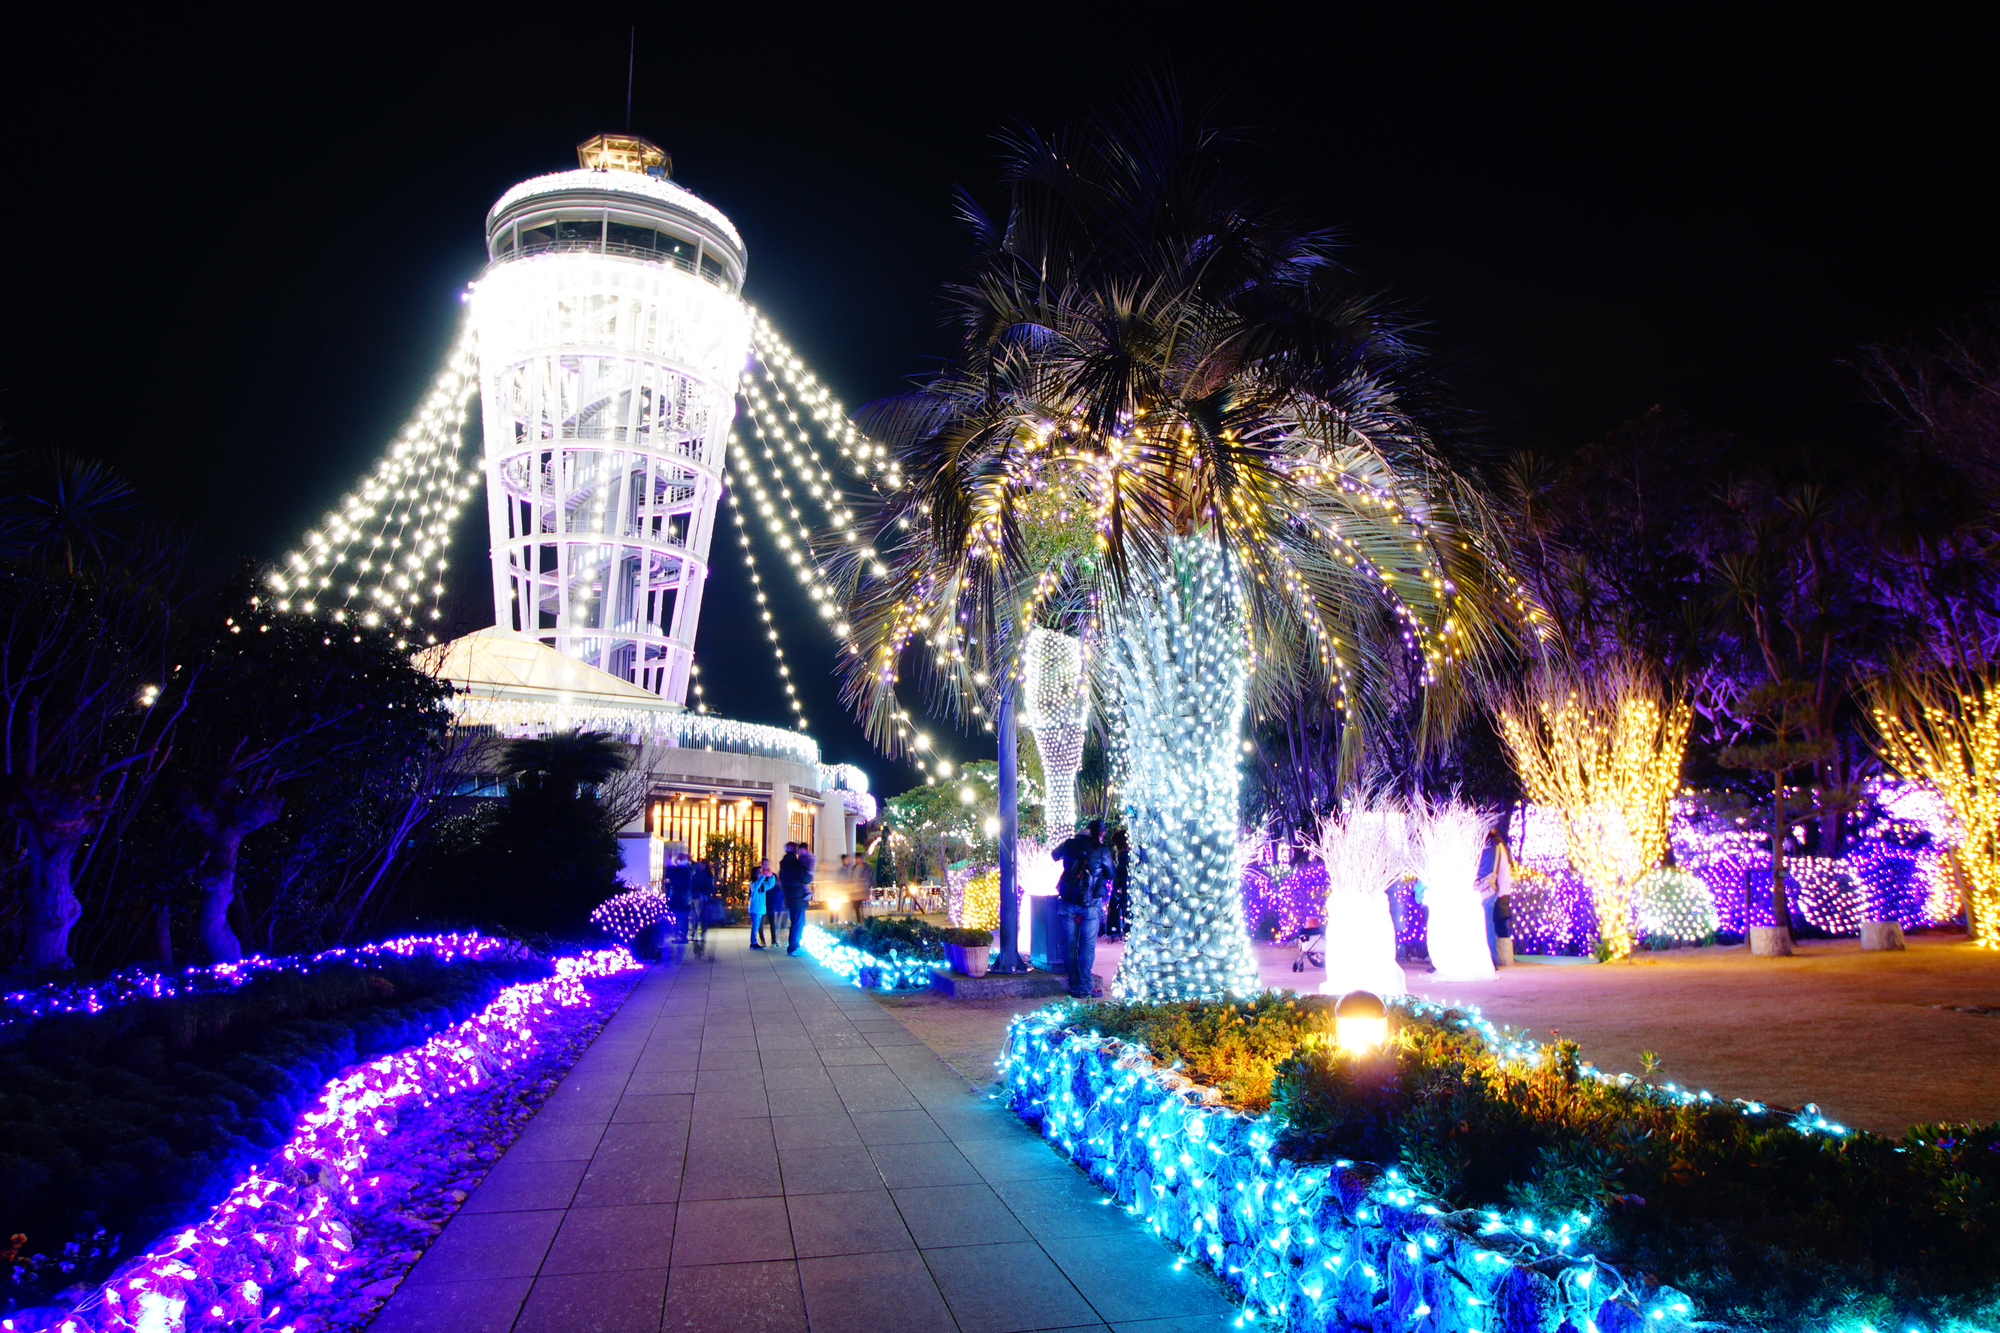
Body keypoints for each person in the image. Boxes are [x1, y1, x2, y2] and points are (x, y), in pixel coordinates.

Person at [1050, 819, 1117, 998]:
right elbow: (1111, 873)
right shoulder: (1102, 849)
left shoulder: (1070, 844)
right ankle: (1085, 988)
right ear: (1100, 833)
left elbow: (1054, 855)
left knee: (1070, 945)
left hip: (1068, 900)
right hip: (1091, 902)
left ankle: (1073, 985)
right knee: (1087, 946)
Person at [1476, 827, 1514, 966]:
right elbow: (1503, 872)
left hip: (1478, 890)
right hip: (1490, 889)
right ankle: (1491, 959)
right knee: (1489, 925)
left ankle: (1489, 959)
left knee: (1484, 925)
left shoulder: (1478, 845)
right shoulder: (1498, 845)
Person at [778, 840, 815, 955]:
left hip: (789, 897)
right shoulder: (795, 864)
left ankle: (794, 946)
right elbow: (807, 878)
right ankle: (794, 947)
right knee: (798, 923)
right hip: (798, 897)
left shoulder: (784, 864)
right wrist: (810, 873)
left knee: (795, 921)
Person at [662, 844, 694, 962]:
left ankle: (681, 935)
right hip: (682, 899)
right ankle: (681, 935)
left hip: (680, 899)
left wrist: (671, 882)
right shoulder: (685, 870)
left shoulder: (683, 871)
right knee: (681, 918)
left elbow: (677, 883)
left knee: (680, 917)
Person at [689, 854, 718, 955]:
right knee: (700, 916)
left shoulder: (698, 874)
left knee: (697, 916)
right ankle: (699, 932)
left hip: (698, 897)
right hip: (700, 897)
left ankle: (696, 932)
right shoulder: (706, 874)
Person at [747, 859, 778, 949]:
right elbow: (755, 887)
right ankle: (753, 942)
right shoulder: (753, 883)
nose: (761, 874)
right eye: (759, 873)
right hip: (755, 909)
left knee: (757, 925)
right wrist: (763, 877)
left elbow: (770, 884)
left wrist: (771, 876)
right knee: (755, 926)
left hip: (760, 908)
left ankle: (755, 942)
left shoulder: (762, 884)